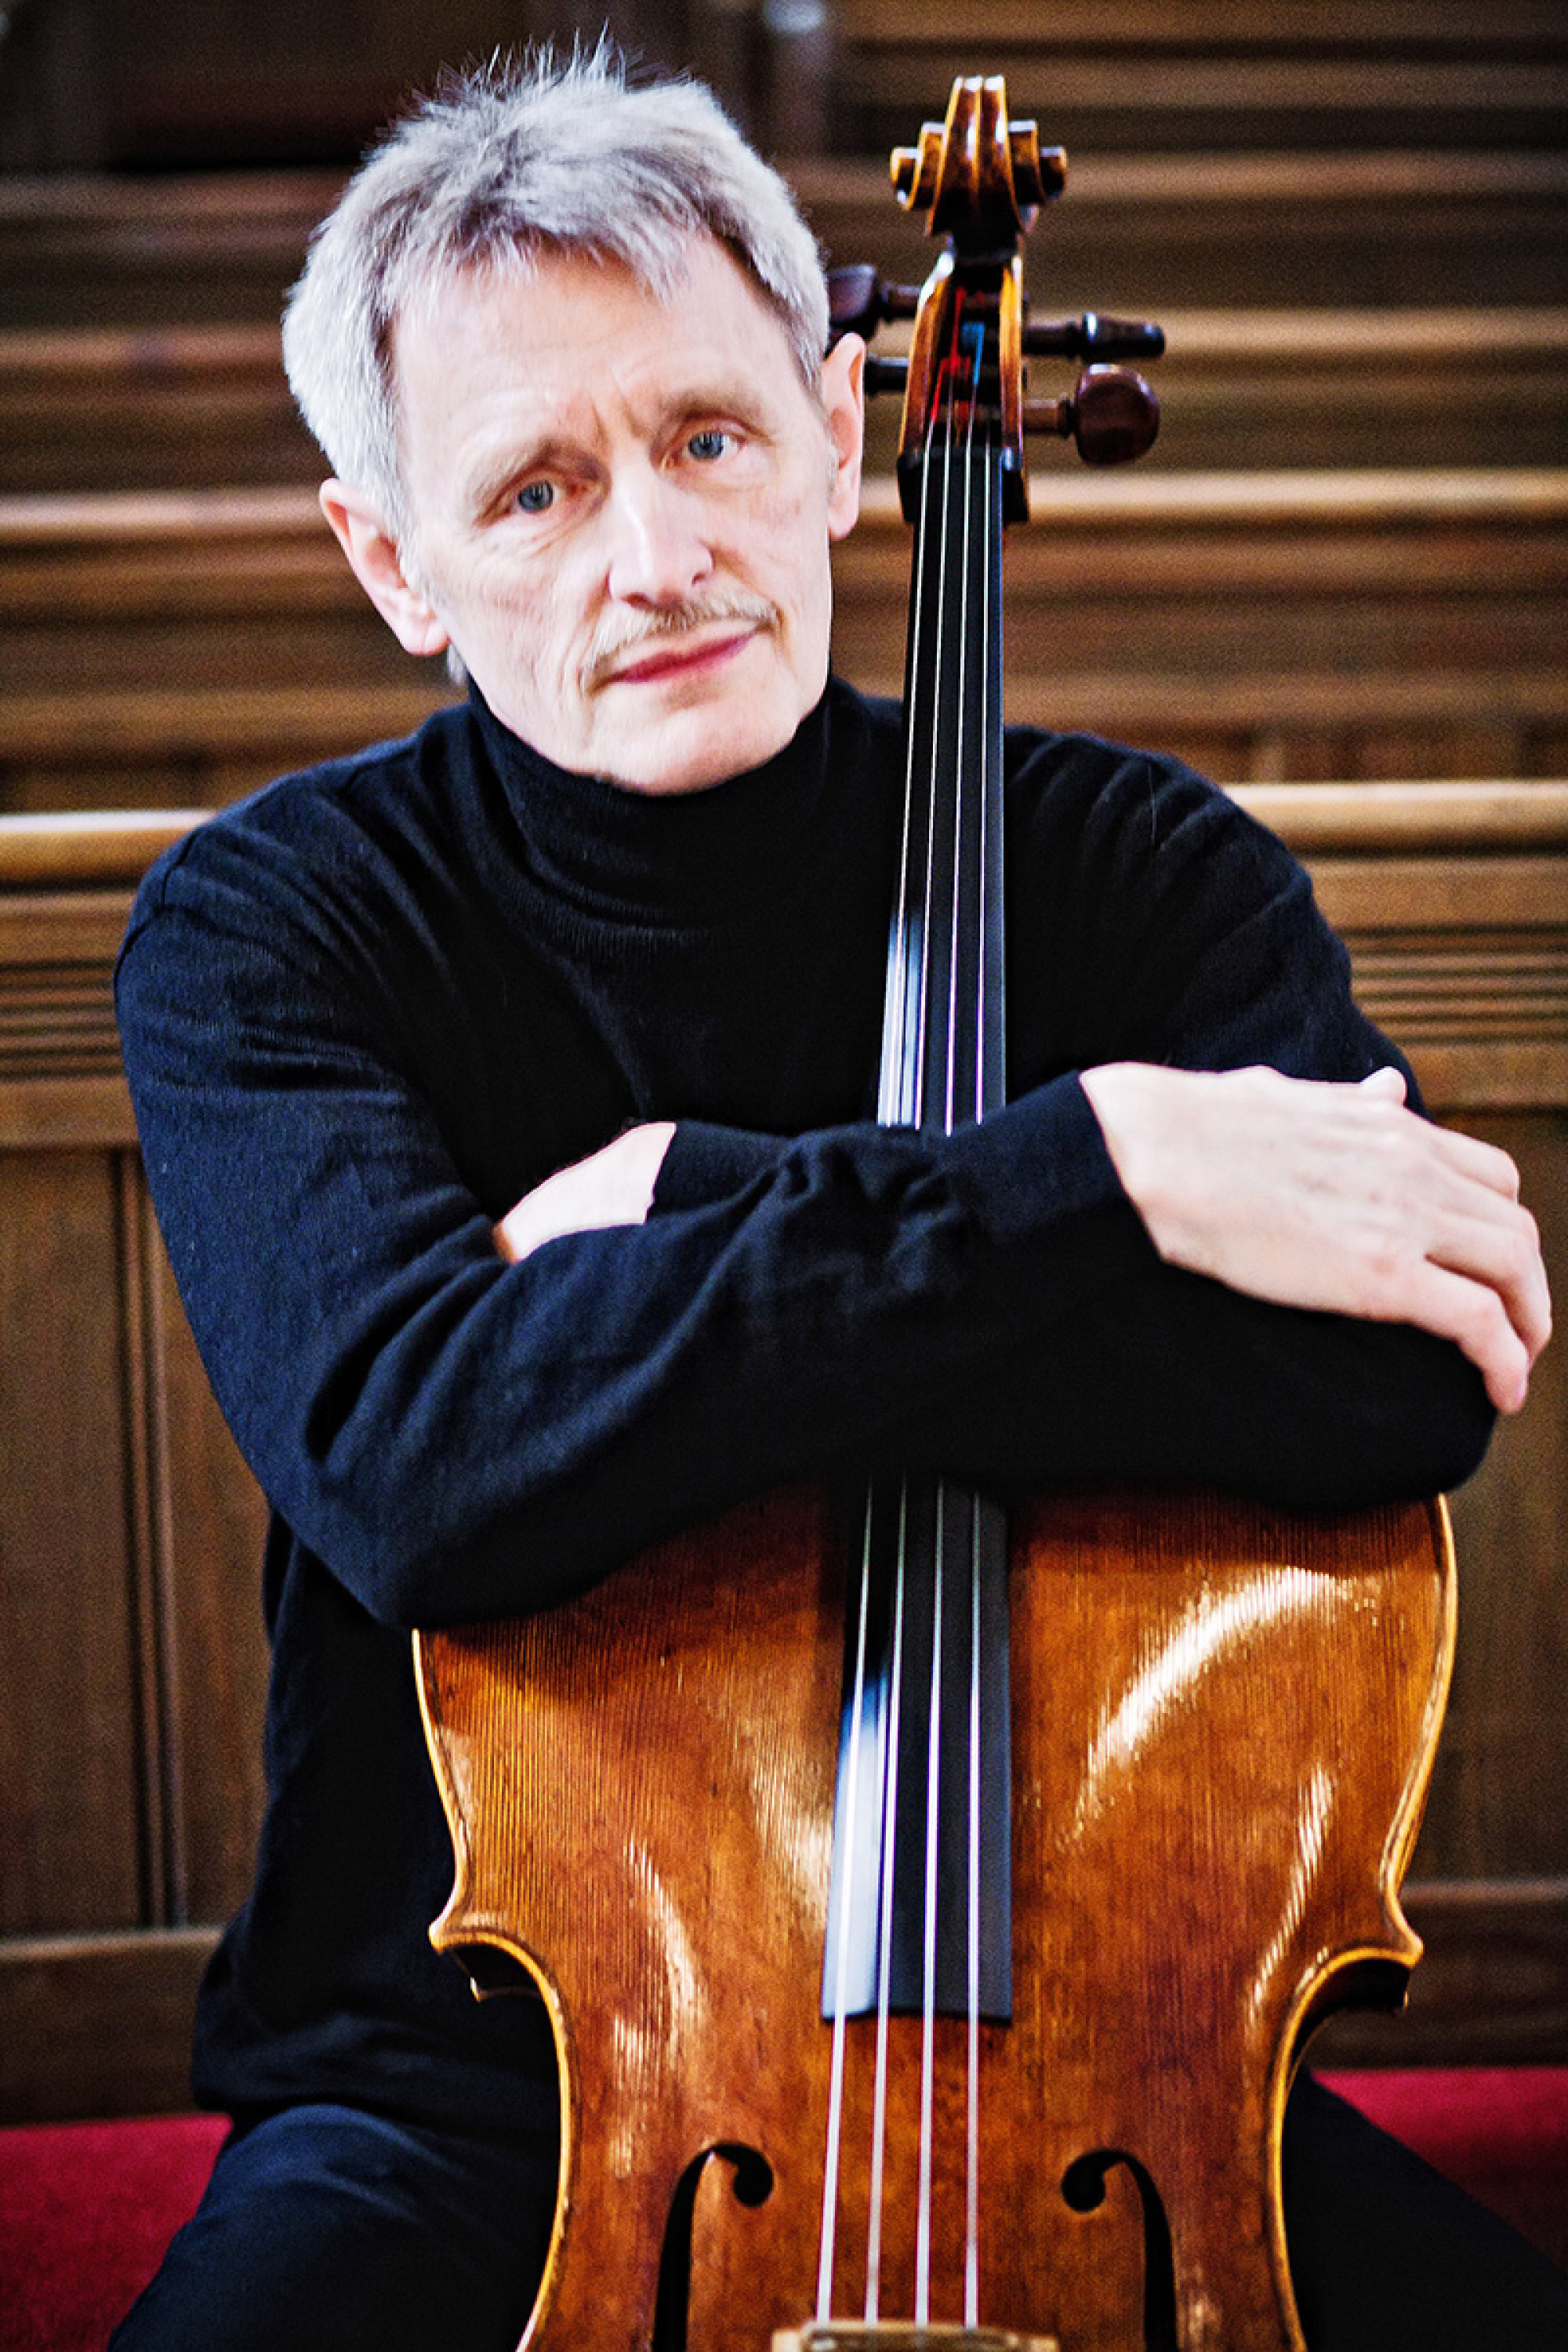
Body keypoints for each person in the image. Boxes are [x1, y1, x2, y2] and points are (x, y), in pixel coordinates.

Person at [111, 49, 1559, 2352]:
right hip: (466, 2089)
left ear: (834, 428)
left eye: (707, 438)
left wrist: (678, 1210)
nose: (653, 559)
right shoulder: (274, 932)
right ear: (395, 563)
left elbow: (1412, 1370)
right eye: (535, 491)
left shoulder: (1138, 871)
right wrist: (1113, 1168)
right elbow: (418, 1462)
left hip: (1109, 2050)